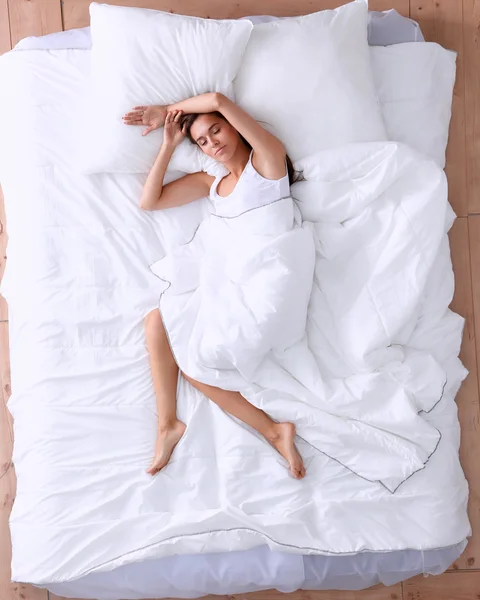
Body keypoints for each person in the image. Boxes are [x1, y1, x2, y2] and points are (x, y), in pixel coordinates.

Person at [123, 92, 305, 480]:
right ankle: (167, 424)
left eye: (216, 130)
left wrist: (167, 112)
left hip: (265, 280)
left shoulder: (268, 162)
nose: (213, 143)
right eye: (203, 141)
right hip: (229, 280)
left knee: (196, 363)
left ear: (235, 128)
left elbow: (219, 98)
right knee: (156, 322)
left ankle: (274, 430)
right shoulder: (214, 183)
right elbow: (149, 202)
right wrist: (170, 143)